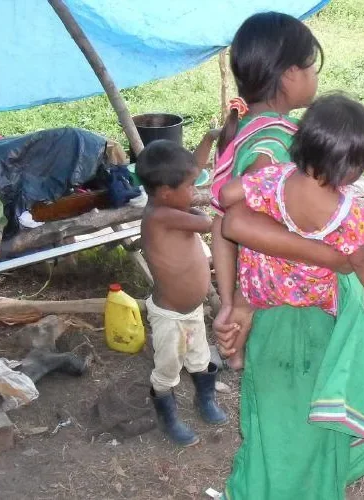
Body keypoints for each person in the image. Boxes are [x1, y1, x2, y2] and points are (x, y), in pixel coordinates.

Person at [217, 94, 364, 499]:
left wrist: (247, 188)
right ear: (351, 167)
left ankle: (237, 335)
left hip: (263, 290)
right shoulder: (344, 212)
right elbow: (357, 259)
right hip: (312, 301)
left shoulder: (275, 179)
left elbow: (227, 199)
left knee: (270, 388)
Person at [193, 11, 323, 371]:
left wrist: (229, 301)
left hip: (261, 299)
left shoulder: (242, 133)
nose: (315, 77)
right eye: (312, 68)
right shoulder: (275, 144)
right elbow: (246, 224)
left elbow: (222, 224)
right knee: (291, 401)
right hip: (286, 303)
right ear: (289, 74)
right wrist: (244, 305)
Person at [135, 140, 228, 447]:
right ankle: (169, 417)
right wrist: (206, 207)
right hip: (170, 317)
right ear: (165, 192)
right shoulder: (159, 216)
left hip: (191, 311)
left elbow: (194, 168)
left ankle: (205, 400)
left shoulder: (170, 202)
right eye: (190, 187)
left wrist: (211, 137)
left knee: (200, 358)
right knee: (167, 369)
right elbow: (204, 222)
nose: (195, 192)